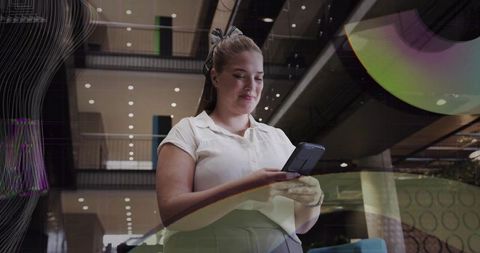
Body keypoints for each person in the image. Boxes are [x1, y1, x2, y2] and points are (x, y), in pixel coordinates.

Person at [156, 26, 324, 253]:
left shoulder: (278, 138)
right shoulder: (188, 131)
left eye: (258, 78)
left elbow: (301, 225)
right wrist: (244, 191)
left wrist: (312, 201)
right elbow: (172, 214)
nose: (251, 87)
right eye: (239, 76)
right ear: (215, 77)